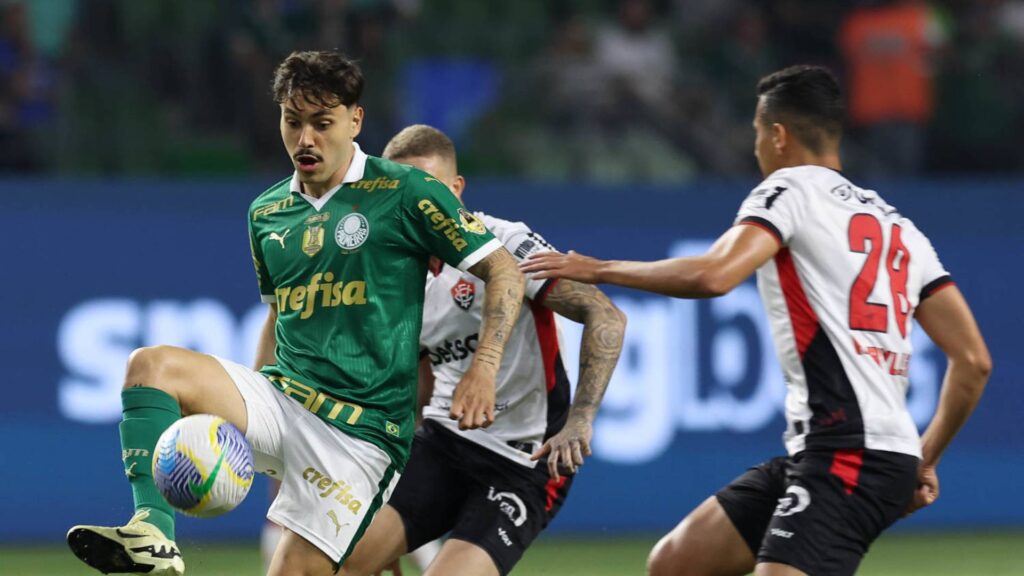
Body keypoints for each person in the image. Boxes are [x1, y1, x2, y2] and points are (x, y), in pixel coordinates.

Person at [66, 50, 526, 576]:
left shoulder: (404, 191)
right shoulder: (266, 212)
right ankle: (153, 534)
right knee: (151, 366)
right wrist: (253, 427)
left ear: (355, 120)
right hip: (283, 402)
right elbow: (279, 315)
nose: (305, 139)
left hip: (360, 435)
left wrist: (485, 368)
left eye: (322, 123)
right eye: (292, 121)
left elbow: (505, 271)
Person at [522, 65, 991, 576]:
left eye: (754, 134)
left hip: (850, 454)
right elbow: (973, 361)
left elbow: (714, 275)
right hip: (834, 450)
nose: (754, 149)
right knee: (677, 564)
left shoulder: (789, 190)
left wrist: (600, 268)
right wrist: (924, 457)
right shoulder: (900, 227)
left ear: (778, 134)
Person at [336, 124, 627, 576]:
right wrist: (388, 479)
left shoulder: (506, 243)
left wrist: (580, 420)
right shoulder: (389, 275)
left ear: (456, 190)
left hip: (525, 460)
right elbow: (412, 383)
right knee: (344, 561)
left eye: (430, 189)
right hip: (444, 443)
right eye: (404, 190)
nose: (418, 204)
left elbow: (606, 316)